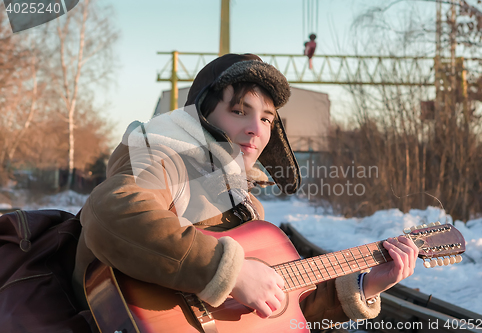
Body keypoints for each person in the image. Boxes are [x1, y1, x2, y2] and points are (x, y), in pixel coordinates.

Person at [72, 53, 418, 327]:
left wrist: (363, 286)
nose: (256, 129)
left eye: (267, 119)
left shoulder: (246, 207)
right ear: (202, 116)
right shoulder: (164, 159)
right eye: (239, 111)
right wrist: (229, 271)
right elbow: (110, 212)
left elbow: (276, 315)